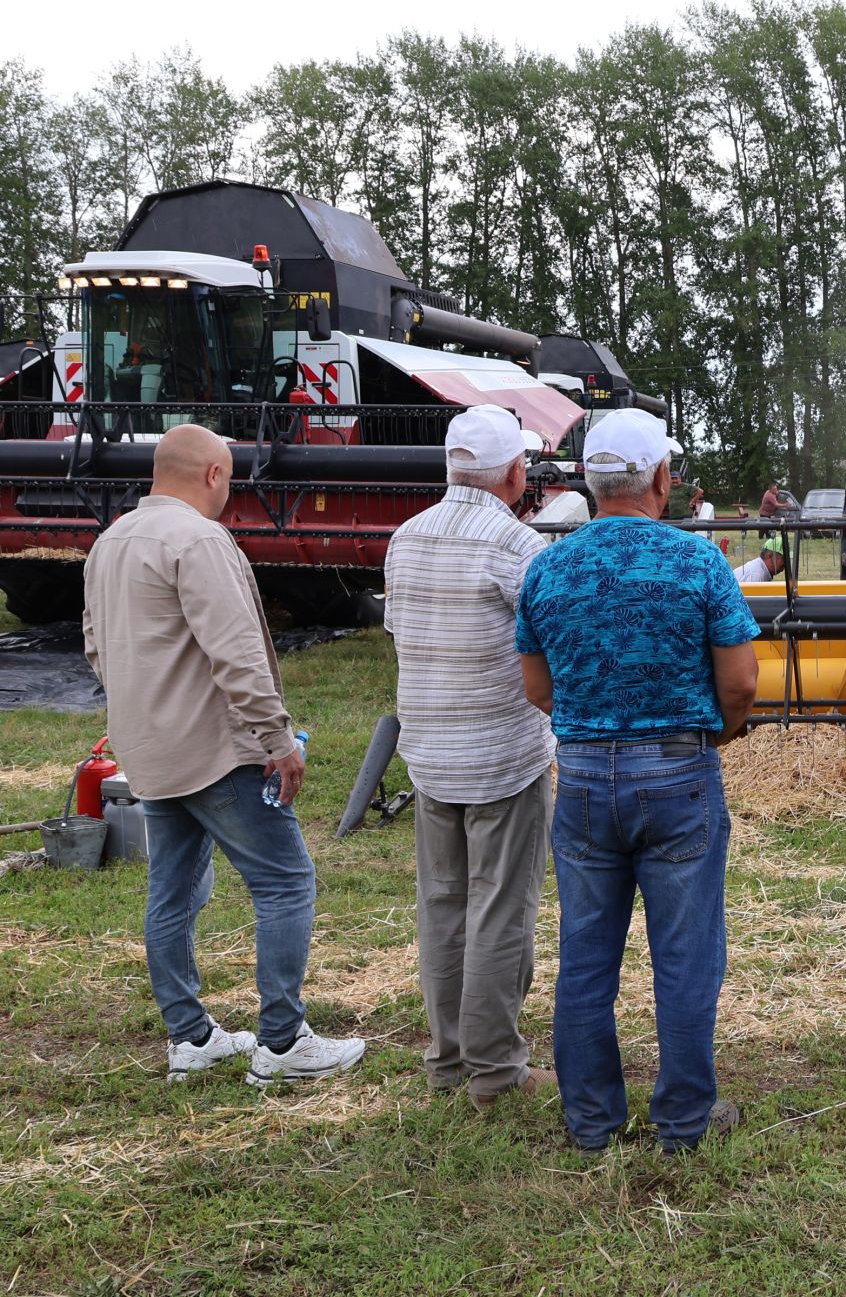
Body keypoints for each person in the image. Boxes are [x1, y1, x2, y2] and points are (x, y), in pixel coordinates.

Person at [81, 423, 364, 1085]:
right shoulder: (201, 541)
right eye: (229, 480)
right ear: (212, 474)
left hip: (150, 751)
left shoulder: (110, 541)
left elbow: (97, 647)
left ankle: (191, 1036)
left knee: (172, 889)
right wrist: (276, 738)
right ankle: (284, 1041)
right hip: (216, 752)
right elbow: (236, 651)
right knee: (285, 881)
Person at [516, 408, 761, 1152]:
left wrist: (595, 724)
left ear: (590, 481)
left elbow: (536, 687)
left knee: (586, 956)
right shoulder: (698, 563)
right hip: (678, 769)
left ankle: (592, 1121)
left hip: (586, 775)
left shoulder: (548, 567)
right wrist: (708, 734)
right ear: (661, 478)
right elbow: (742, 682)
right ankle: (684, 1120)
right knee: (686, 957)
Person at [385, 405, 555, 1108]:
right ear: (515, 473)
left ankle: (447, 1057)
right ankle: (494, 1068)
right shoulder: (516, 546)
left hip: (428, 749)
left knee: (443, 903)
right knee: (498, 907)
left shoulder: (405, 537)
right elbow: (547, 645)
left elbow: (398, 627)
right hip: (500, 755)